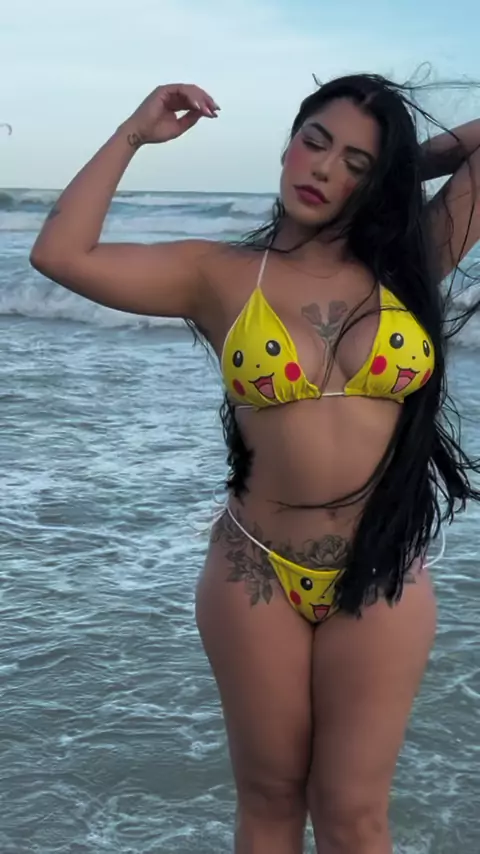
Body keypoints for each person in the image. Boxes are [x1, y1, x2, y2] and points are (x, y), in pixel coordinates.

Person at [30, 75, 480, 854]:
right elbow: (59, 254)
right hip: (255, 571)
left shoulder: (414, 259)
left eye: (354, 163)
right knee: (270, 802)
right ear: (288, 143)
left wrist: (399, 168)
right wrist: (135, 132)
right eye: (315, 143)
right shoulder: (218, 274)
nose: (323, 169)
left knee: (354, 814)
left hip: (381, 565)